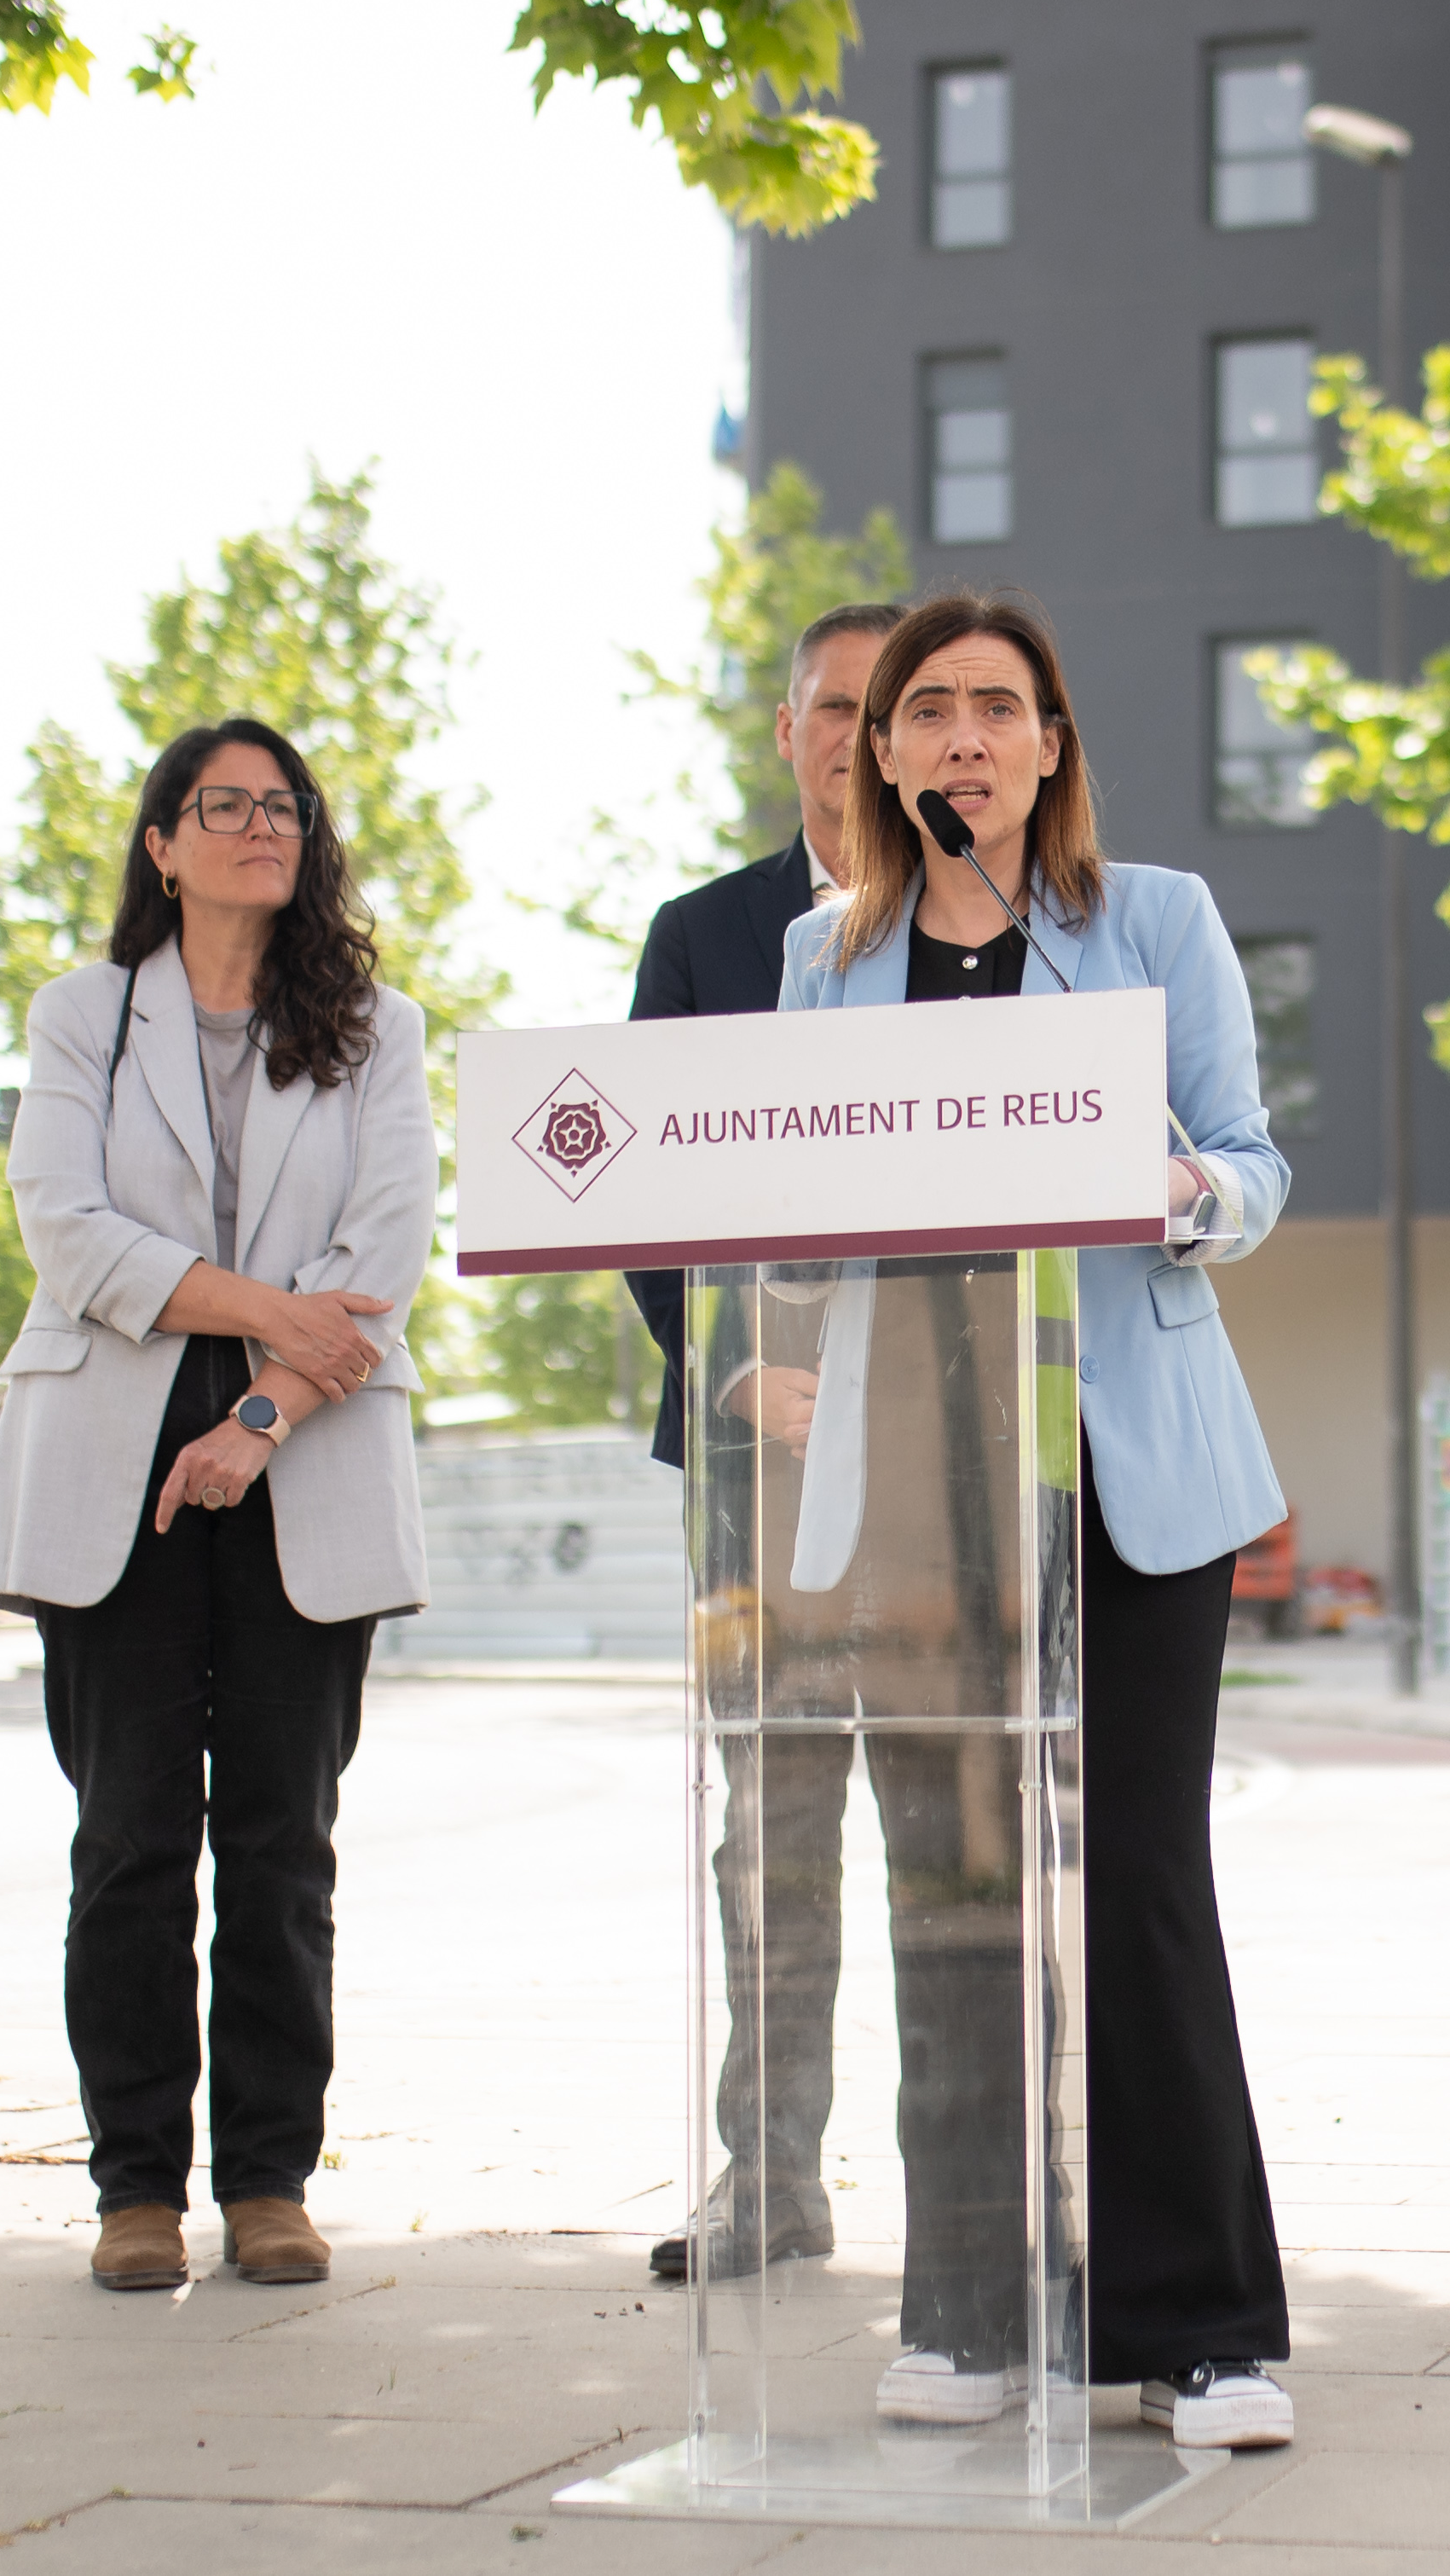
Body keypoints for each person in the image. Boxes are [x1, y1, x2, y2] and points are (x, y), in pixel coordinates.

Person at [772, 591, 1303, 2454]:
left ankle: (1203, 2324)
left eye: (998, 707)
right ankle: (970, 2307)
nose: (963, 737)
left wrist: (1172, 1182)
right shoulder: (823, 956)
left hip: (1124, 1468)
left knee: (1136, 1884)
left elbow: (1252, 1163)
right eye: (927, 709)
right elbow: (788, 1214)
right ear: (880, 751)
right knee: (955, 1894)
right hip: (916, 1488)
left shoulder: (1146, 920)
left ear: (1050, 744)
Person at [0, 718, 438, 2297]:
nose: (257, 826)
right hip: (114, 1461)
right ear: (162, 844)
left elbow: (384, 1251)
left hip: (302, 1442)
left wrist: (262, 1406)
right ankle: (135, 2190)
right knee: (130, 1839)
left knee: (286, 1844)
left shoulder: (376, 1030)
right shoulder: (84, 1016)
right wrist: (266, 1310)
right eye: (221, 805)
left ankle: (269, 2181)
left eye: (280, 805)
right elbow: (69, 1231)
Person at [619, 597, 902, 2288]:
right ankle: (770, 2176)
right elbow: (640, 1193)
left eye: (889, 707)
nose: (858, 738)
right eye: (832, 707)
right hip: (754, 1464)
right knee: (771, 1835)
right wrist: (732, 1370)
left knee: (963, 1832)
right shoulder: (703, 939)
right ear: (789, 730)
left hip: (949, 1467)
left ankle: (984, 2189)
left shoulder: (998, 930)